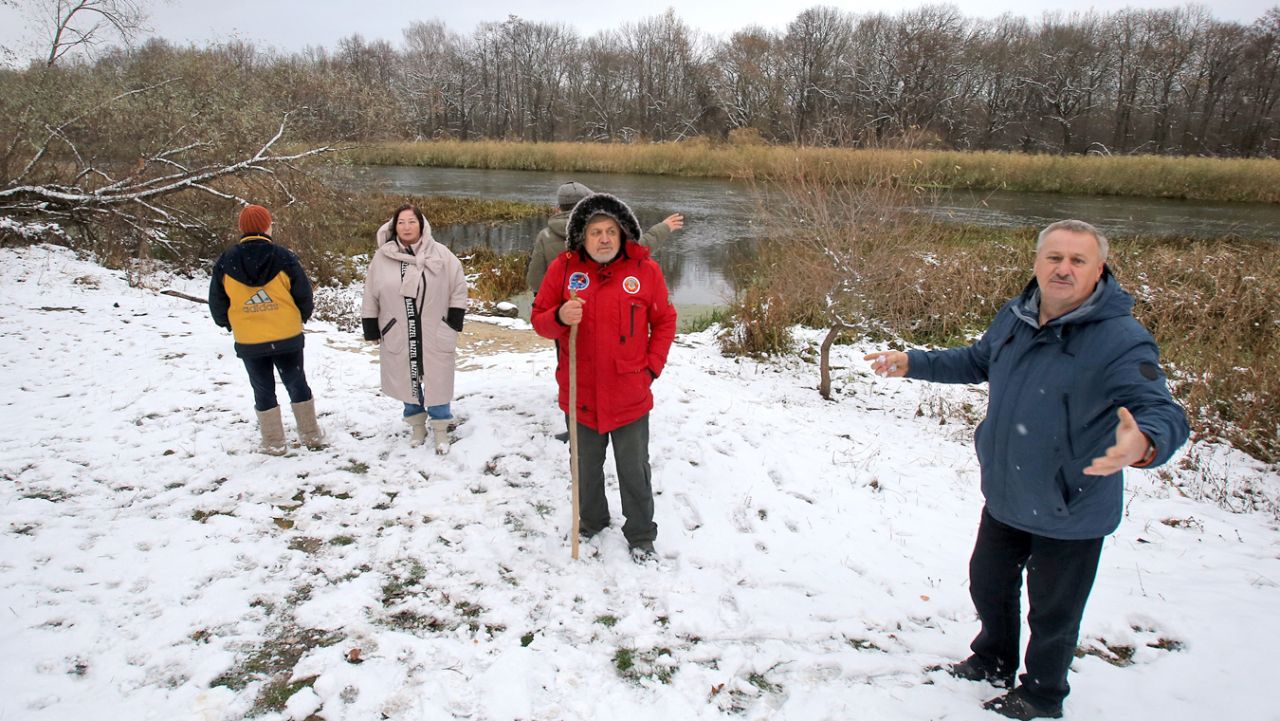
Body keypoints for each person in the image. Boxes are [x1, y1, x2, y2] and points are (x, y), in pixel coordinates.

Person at [864, 219, 1189, 720]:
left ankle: (1042, 694)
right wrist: (912, 362)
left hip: (1071, 505)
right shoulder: (1015, 317)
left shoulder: (1121, 338)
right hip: (1009, 490)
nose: (1063, 269)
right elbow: (976, 361)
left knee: (1054, 612)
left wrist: (1143, 443)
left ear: (1098, 269)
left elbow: (1161, 410)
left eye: (1077, 261)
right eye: (1053, 258)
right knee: (987, 584)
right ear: (1036, 263)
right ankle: (993, 658)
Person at [532, 193, 677, 563]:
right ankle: (592, 521)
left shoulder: (645, 271)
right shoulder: (563, 270)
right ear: (582, 235)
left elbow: (664, 321)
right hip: (580, 392)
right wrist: (561, 317)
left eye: (611, 231)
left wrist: (651, 368)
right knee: (584, 467)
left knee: (634, 469)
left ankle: (641, 534)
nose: (604, 239)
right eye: (596, 231)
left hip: (630, 393)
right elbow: (539, 320)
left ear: (623, 233)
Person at [209, 203, 324, 454]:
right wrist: (299, 318)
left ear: (241, 228)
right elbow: (303, 294)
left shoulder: (226, 261)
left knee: (262, 387)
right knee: (296, 382)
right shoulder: (283, 257)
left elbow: (218, 303)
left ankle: (273, 441)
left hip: (250, 340)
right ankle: (311, 434)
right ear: (267, 226)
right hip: (286, 335)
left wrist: (230, 323)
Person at [361, 204, 468, 454]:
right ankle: (416, 425)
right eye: (401, 222)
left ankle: (441, 428)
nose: (406, 227)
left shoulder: (441, 255)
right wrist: (372, 327)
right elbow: (370, 292)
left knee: (438, 378)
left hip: (434, 330)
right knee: (404, 377)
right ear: (393, 226)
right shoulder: (382, 258)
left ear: (421, 225)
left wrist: (453, 320)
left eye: (411, 221)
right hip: (397, 329)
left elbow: (458, 287)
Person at [525, 180, 684, 294]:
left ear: (557, 208)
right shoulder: (604, 232)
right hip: (599, 306)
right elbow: (641, 247)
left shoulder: (544, 236)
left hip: (563, 313)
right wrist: (664, 227)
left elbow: (535, 280)